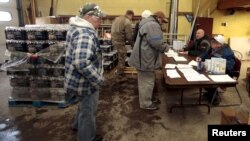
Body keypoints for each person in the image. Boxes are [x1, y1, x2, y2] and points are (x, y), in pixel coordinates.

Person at [64, 3, 105, 141]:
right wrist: (98, 79)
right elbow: (81, 63)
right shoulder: (85, 33)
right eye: (98, 18)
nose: (100, 21)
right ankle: (87, 137)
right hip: (84, 82)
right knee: (88, 110)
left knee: (83, 105)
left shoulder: (75, 28)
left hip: (75, 79)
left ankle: (77, 125)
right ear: (88, 17)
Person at [128, 11, 170, 110]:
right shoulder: (152, 25)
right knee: (147, 82)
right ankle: (146, 103)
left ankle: (147, 99)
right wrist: (167, 48)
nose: (162, 23)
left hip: (144, 58)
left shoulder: (147, 23)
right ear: (158, 17)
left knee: (146, 81)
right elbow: (157, 43)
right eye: (162, 21)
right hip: (145, 59)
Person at [196, 35, 235, 105]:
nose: (211, 43)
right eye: (212, 42)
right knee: (200, 75)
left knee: (207, 78)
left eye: (213, 42)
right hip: (212, 69)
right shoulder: (213, 49)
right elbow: (205, 53)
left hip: (225, 73)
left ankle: (214, 97)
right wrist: (200, 57)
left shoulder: (227, 52)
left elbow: (230, 66)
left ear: (219, 44)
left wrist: (218, 64)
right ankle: (210, 92)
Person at [111, 10, 134, 78]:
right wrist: (133, 45)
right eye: (132, 17)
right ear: (130, 15)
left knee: (120, 55)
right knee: (122, 56)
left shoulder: (117, 18)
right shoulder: (127, 22)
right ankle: (119, 74)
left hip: (114, 40)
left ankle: (119, 69)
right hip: (120, 41)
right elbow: (129, 36)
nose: (131, 19)